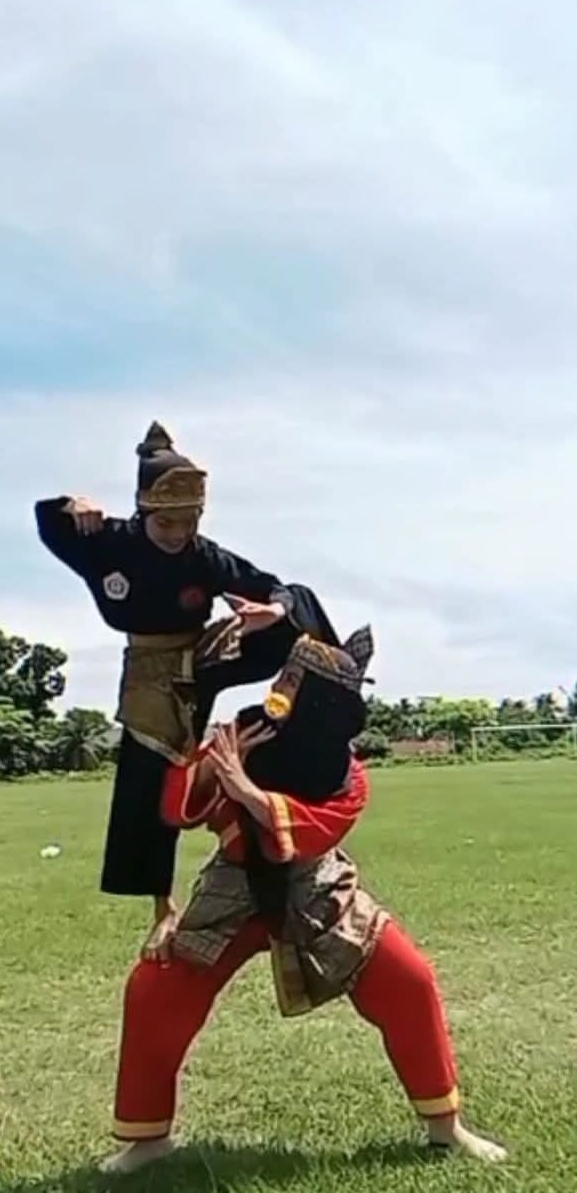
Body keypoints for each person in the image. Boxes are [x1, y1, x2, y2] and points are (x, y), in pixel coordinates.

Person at [101, 629, 508, 1176]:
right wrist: (215, 766)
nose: (278, 686)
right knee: (155, 988)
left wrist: (248, 791)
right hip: (235, 882)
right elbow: (182, 806)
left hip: (316, 884)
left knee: (408, 981)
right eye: (282, 675)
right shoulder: (243, 730)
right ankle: (147, 1139)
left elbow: (313, 836)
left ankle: (445, 1127)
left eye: (293, 680)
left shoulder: (347, 776)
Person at [35, 421, 338, 950]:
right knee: (150, 780)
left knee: (296, 612)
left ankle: (319, 722)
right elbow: (47, 522)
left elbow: (275, 585)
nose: (177, 535)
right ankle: (162, 904)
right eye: (166, 523)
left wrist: (274, 609)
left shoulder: (204, 556)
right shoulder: (110, 543)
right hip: (150, 673)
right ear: (145, 513)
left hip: (205, 657)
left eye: (188, 523)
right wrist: (70, 504)